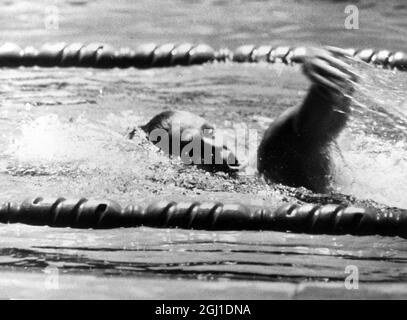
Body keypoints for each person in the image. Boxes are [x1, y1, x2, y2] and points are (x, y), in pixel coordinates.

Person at [137, 48, 358, 193]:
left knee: (275, 152)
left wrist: (329, 85)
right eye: (192, 147)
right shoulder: (264, 168)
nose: (212, 146)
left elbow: (311, 134)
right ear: (173, 165)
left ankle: (329, 87)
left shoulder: (268, 160)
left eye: (209, 132)